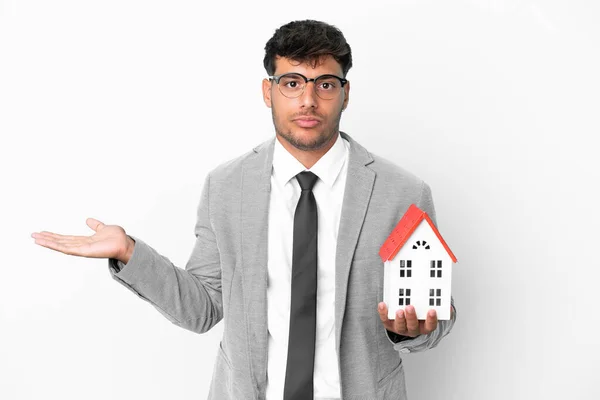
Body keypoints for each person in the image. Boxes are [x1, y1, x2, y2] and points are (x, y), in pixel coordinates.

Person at [31, 19, 456, 400]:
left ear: (345, 95)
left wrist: (413, 330)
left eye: (325, 84)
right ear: (268, 91)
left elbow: (434, 310)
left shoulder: (403, 191)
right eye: (292, 82)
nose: (308, 100)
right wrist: (129, 253)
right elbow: (202, 308)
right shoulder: (226, 186)